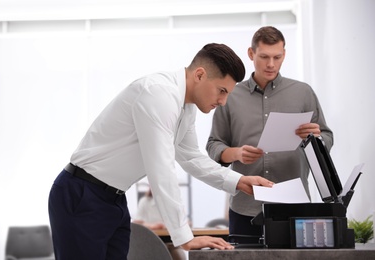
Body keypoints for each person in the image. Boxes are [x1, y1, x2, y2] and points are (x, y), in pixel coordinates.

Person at [48, 43, 274, 260]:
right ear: (199, 75)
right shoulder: (158, 94)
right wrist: (184, 237)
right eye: (221, 91)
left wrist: (239, 180)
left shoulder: (186, 108)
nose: (223, 102)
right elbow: (161, 168)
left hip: (113, 199)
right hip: (82, 193)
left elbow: (191, 158)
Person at [206, 26, 333, 238]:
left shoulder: (303, 93)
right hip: (245, 207)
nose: (271, 64)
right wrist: (236, 153)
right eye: (264, 56)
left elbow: (327, 138)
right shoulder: (231, 95)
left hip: (294, 205)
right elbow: (214, 144)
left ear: (284, 54)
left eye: (277, 56)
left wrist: (316, 138)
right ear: (250, 53)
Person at [133, 189, 187, 260]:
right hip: (149, 239)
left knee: (175, 249)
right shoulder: (145, 202)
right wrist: (151, 226)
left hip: (171, 238)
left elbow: (182, 220)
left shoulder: (172, 202)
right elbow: (136, 223)